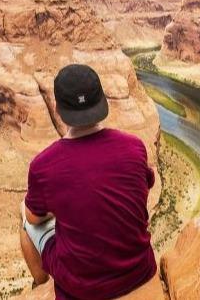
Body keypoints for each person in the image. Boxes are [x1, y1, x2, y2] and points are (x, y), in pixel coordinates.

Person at [20, 64, 156, 300]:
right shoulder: (134, 146)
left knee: (23, 212)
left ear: (57, 108)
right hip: (139, 272)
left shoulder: (44, 166)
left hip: (83, 290)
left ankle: (40, 283)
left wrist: (60, 208)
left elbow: (34, 218)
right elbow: (143, 188)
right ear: (103, 101)